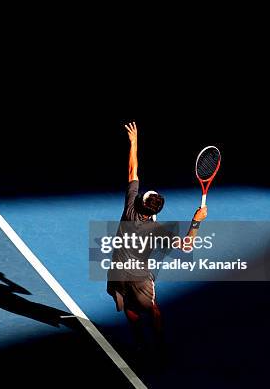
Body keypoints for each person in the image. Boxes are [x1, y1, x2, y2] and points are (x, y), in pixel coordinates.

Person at [106, 122, 208, 360]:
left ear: (141, 203)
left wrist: (134, 141)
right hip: (140, 278)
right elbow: (186, 246)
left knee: (130, 309)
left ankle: (140, 345)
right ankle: (160, 347)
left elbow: (133, 169)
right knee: (152, 310)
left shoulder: (129, 208)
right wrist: (196, 221)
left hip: (117, 272)